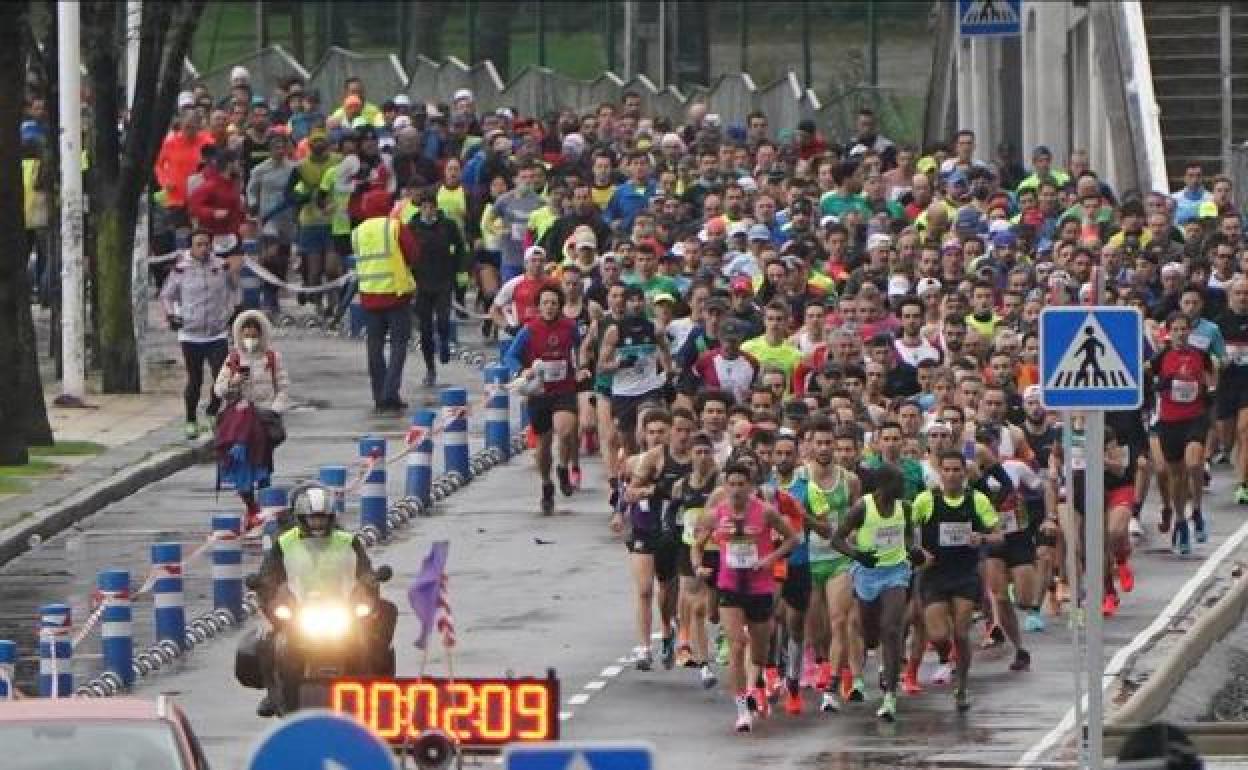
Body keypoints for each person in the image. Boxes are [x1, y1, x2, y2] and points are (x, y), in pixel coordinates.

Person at [254, 483, 397, 716]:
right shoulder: (285, 542)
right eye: (313, 519)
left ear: (331, 518)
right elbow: (270, 573)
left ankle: (378, 687)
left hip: (339, 606)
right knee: (269, 642)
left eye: (322, 519)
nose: (318, 524)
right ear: (302, 518)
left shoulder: (346, 541)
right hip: (300, 607)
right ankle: (273, 693)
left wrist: (370, 581)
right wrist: (265, 586)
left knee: (379, 623)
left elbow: (363, 569)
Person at [692, 454, 799, 733]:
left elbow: (792, 539)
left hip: (760, 587)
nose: (737, 489)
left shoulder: (765, 512)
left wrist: (770, 559)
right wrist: (698, 566)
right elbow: (697, 543)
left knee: (759, 654)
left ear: (750, 486)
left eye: (742, 483)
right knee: (737, 645)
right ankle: (742, 709)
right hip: (730, 586)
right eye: (732, 484)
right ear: (725, 487)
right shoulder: (717, 514)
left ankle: (759, 680)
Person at [824, 463, 915, 722]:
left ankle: (890, 694)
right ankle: (868, 661)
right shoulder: (863, 507)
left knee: (892, 628)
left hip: (896, 571)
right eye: (899, 484)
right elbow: (836, 539)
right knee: (871, 635)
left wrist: (912, 550)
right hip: (867, 574)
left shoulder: (904, 508)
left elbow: (908, 537)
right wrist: (858, 556)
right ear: (884, 485)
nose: (903, 489)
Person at [912, 450, 1002, 713]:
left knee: (961, 633)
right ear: (940, 472)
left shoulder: (977, 500)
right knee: (939, 634)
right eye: (947, 470)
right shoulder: (925, 500)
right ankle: (946, 653)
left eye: (956, 470)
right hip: (934, 573)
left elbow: (999, 535)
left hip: (964, 573)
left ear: (965, 473)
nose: (952, 475)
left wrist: (982, 538)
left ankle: (961, 686)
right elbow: (908, 532)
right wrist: (918, 552)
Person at [505, 284, 585, 514]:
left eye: (553, 303)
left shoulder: (570, 327)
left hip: (564, 389)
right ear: (539, 307)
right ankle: (546, 484)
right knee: (543, 445)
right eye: (545, 303)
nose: (550, 307)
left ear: (560, 305)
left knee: (566, 430)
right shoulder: (529, 330)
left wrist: (581, 368)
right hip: (539, 392)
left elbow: (580, 351)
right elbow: (510, 355)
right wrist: (522, 370)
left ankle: (562, 467)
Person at [213, 311, 291, 531]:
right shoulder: (233, 358)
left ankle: (266, 508)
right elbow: (219, 390)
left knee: (263, 465)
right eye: (246, 335)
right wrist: (234, 382)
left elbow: (283, 387)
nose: (250, 339)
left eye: (254, 335)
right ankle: (252, 508)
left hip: (264, 420)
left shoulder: (272, 357)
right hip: (240, 426)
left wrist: (274, 410)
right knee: (242, 467)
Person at [160, 229, 242, 439]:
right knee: (194, 379)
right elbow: (167, 295)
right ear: (191, 247)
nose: (204, 249)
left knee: (221, 378)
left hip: (216, 333)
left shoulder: (220, 266)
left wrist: (231, 310)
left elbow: (234, 289)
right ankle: (190, 419)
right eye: (199, 244)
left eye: (207, 244)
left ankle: (213, 410)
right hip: (191, 333)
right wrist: (172, 316)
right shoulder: (181, 269)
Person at [351, 214, 421, 415]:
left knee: (374, 346)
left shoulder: (358, 231)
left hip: (369, 296)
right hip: (396, 295)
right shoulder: (394, 227)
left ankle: (379, 394)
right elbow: (413, 254)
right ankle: (390, 393)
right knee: (399, 345)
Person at [408, 188, 469, 386]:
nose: (428, 211)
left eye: (431, 207)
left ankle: (444, 341)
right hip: (421, 283)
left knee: (443, 319)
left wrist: (461, 270)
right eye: (424, 207)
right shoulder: (412, 227)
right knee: (425, 329)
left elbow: (460, 247)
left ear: (436, 207)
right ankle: (430, 368)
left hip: (444, 280)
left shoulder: (448, 225)